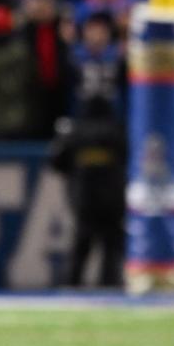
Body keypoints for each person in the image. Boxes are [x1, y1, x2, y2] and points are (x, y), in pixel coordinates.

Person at [49, 96, 126, 288]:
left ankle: (72, 286)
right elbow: (129, 157)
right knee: (111, 245)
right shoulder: (116, 131)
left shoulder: (75, 131)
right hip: (112, 198)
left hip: (84, 197)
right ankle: (110, 285)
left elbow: (57, 162)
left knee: (81, 244)